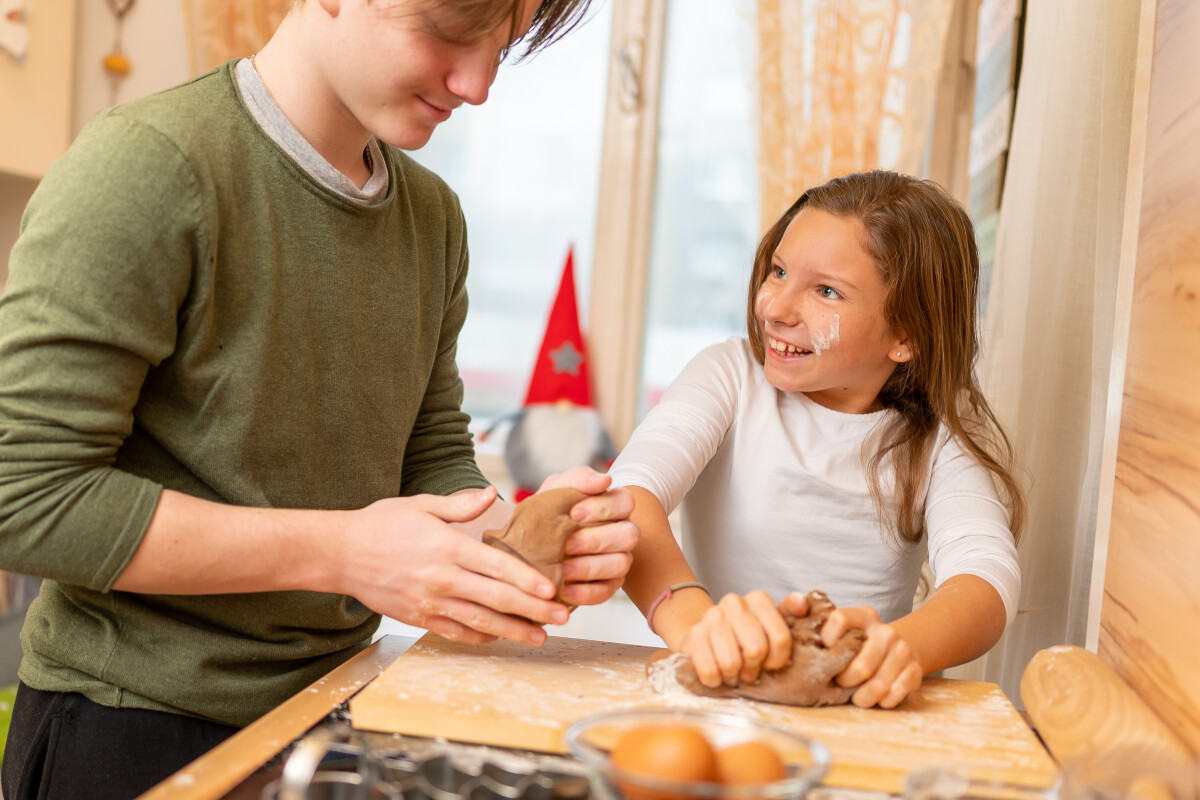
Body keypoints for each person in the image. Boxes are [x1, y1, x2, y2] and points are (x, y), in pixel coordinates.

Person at [0, 1, 637, 798]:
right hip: (131, 723)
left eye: (500, 50)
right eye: (448, 33)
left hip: (333, 710)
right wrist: (344, 552)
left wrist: (522, 549)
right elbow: (20, 496)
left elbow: (428, 452)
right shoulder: (150, 166)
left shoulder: (433, 218)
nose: (476, 85)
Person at [610, 170, 1024, 710]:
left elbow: (985, 580)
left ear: (906, 335)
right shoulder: (729, 377)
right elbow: (627, 499)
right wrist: (695, 623)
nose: (777, 309)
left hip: (862, 711)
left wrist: (900, 648)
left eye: (826, 291)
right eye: (778, 271)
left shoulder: (937, 438)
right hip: (717, 694)